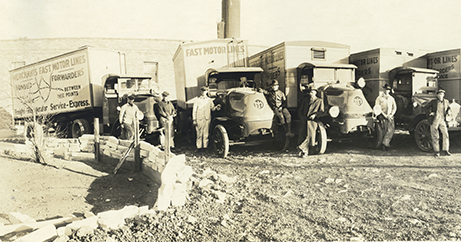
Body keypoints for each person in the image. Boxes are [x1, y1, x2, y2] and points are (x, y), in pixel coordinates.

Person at [297, 86, 324, 157]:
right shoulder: (306, 100)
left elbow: (322, 111)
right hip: (304, 120)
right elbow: (300, 110)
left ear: (315, 92)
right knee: (302, 135)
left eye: (312, 92)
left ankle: (303, 148)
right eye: (310, 92)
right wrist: (301, 117)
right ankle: (304, 151)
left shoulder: (319, 101)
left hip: (313, 121)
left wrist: (315, 115)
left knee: (310, 136)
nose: (311, 94)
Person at [192, 86, 221, 152]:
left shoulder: (209, 100)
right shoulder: (197, 100)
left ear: (207, 92)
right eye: (202, 91)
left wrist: (217, 107)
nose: (203, 92)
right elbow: (194, 110)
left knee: (206, 133)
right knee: (199, 133)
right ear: (201, 91)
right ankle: (199, 147)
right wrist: (194, 119)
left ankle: (205, 147)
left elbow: (212, 108)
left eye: (205, 91)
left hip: (207, 118)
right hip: (199, 118)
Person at [424, 89, 451, 157]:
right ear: (437, 95)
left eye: (441, 94)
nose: (440, 95)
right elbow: (425, 107)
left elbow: (448, 108)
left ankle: (445, 150)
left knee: (445, 134)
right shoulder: (433, 102)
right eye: (439, 94)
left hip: (442, 120)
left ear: (443, 95)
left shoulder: (446, 102)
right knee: (435, 135)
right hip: (435, 120)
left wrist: (448, 112)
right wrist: (430, 113)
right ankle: (437, 151)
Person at [374, 84, 397, 151]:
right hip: (382, 116)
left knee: (391, 130)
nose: (387, 91)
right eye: (386, 89)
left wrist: (391, 114)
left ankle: (386, 143)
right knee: (383, 130)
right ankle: (383, 145)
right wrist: (384, 115)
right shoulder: (379, 98)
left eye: (388, 90)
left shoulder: (391, 98)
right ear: (384, 90)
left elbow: (394, 107)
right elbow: (377, 107)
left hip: (390, 116)